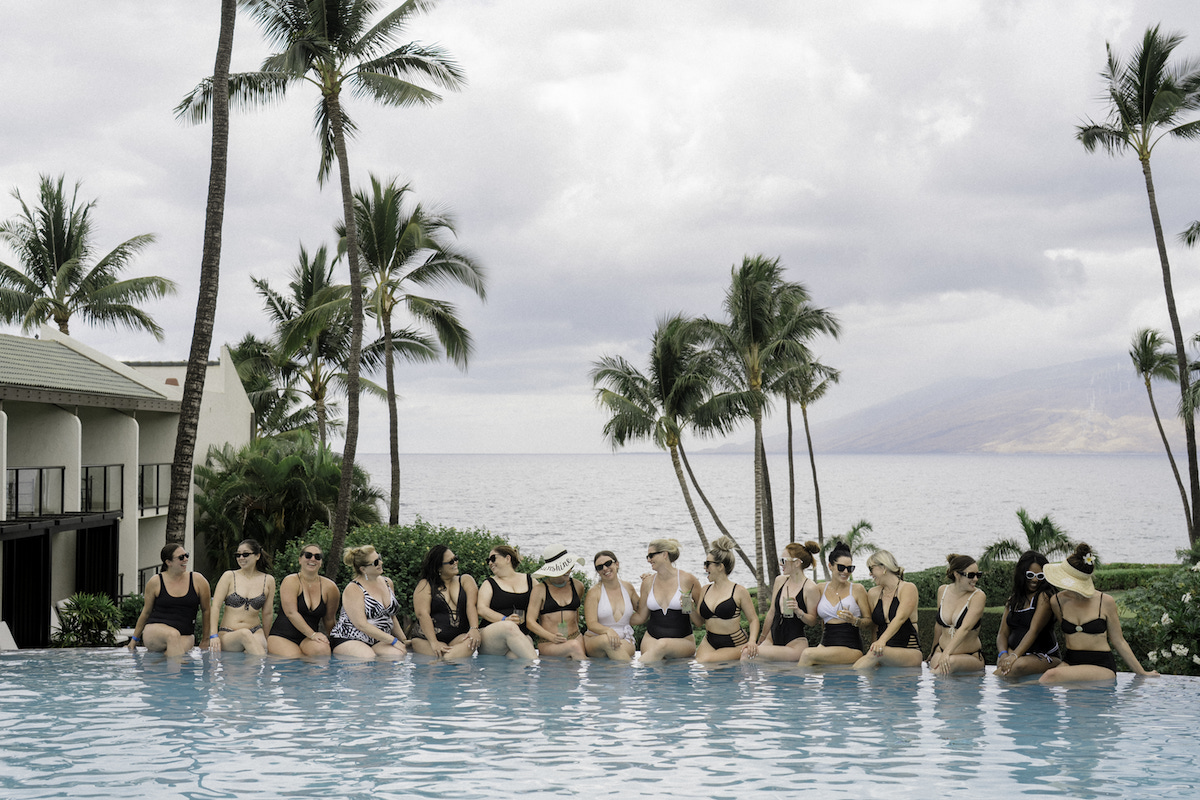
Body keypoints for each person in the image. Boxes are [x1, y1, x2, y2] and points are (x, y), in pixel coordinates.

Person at [1040, 543, 1159, 683]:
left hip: (1101, 665)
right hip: (1071, 661)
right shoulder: (1057, 601)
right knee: (1032, 686)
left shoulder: (1105, 601)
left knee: (1049, 676)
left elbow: (1119, 641)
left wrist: (1142, 672)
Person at [128, 544, 212, 657]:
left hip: (185, 635)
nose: (186, 559)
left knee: (173, 655)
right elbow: (146, 612)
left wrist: (206, 639)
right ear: (168, 562)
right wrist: (134, 639)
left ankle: (170, 672)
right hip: (155, 631)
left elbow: (206, 610)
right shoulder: (155, 581)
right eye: (181, 557)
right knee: (173, 635)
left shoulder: (198, 580)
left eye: (186, 555)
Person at [799, 540, 871, 666]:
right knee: (811, 667)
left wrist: (854, 620)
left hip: (851, 647)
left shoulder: (857, 589)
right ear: (830, 566)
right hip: (826, 644)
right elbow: (816, 620)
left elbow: (869, 622)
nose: (845, 572)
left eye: (850, 568)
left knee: (807, 654)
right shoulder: (821, 588)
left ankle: (791, 686)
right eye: (841, 567)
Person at [630, 538, 703, 662]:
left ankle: (636, 675)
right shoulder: (647, 582)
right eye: (647, 556)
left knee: (662, 646)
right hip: (651, 638)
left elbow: (699, 622)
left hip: (683, 641)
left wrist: (689, 608)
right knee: (657, 658)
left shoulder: (687, 580)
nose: (648, 560)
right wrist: (614, 621)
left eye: (651, 555)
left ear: (664, 554)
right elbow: (641, 617)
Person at [329, 545, 407, 660]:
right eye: (375, 562)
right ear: (363, 569)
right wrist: (393, 640)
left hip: (379, 639)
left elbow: (392, 617)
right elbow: (361, 625)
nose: (380, 562)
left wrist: (403, 640)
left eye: (379, 558)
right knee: (367, 657)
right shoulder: (354, 588)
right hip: (350, 638)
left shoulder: (387, 582)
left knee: (398, 654)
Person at [690, 536, 758, 663]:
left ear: (720, 566)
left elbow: (753, 619)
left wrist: (752, 641)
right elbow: (699, 623)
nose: (705, 568)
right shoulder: (705, 590)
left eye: (707, 564)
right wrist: (689, 608)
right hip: (709, 641)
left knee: (706, 662)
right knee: (698, 667)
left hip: (734, 642)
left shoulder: (739, 591)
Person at [994, 550, 1060, 679]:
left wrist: (1014, 656)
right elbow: (1002, 633)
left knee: (1018, 666)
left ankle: (990, 682)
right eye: (1030, 575)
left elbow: (1033, 631)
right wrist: (1003, 654)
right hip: (1015, 654)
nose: (1035, 580)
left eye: (1040, 576)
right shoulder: (1013, 600)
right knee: (1007, 665)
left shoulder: (1044, 597)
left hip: (1044, 656)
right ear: (1022, 574)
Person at [267, 544, 340, 658]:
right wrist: (313, 634)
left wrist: (336, 643)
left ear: (321, 562)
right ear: (300, 559)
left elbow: (329, 619)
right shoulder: (290, 581)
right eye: (308, 555)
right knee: (294, 659)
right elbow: (291, 613)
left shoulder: (330, 587)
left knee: (322, 651)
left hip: (307, 639)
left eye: (317, 557)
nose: (312, 559)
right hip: (282, 636)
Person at [853, 549, 923, 669]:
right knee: (874, 656)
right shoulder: (873, 593)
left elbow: (900, 618)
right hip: (881, 651)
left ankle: (850, 683)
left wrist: (881, 642)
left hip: (908, 651)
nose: (870, 574)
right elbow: (875, 628)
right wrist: (874, 647)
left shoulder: (907, 588)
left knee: (876, 654)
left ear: (883, 567)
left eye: (871, 569)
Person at [411, 544, 481, 660]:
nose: (455, 563)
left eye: (455, 558)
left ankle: (448, 662)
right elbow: (422, 614)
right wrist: (434, 642)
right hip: (426, 639)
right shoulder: (425, 585)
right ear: (439, 568)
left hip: (459, 637)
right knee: (442, 659)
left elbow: (471, 605)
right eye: (451, 562)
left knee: (470, 641)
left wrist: (474, 628)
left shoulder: (465, 580)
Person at [756, 541, 821, 662]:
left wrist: (798, 611)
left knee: (748, 655)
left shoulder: (810, 588)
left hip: (794, 643)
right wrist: (762, 638)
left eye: (784, 561)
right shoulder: (780, 581)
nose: (781, 564)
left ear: (797, 563)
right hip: (772, 638)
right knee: (748, 655)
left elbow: (813, 621)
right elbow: (771, 612)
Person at [208, 539, 274, 655]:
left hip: (256, 631)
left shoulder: (268, 580)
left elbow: (267, 613)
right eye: (238, 555)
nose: (241, 558)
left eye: (245, 554)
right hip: (228, 633)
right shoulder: (229, 576)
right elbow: (216, 607)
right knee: (245, 634)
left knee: (251, 649)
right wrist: (213, 635)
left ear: (257, 556)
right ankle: (266, 669)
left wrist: (267, 639)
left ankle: (262, 668)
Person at [928, 554, 987, 675]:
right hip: (941, 651)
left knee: (949, 663)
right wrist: (933, 651)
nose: (975, 579)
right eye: (971, 575)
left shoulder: (978, 596)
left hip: (969, 656)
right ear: (956, 574)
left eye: (978, 575)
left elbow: (965, 628)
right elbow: (939, 625)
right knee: (940, 671)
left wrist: (946, 654)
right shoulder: (942, 591)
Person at [476, 545, 538, 658]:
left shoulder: (531, 581)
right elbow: (481, 609)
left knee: (518, 652)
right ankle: (536, 666)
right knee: (508, 627)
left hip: (519, 634)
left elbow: (543, 607)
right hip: (491, 636)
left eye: (493, 558)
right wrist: (504, 619)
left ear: (507, 558)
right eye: (488, 560)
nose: (490, 563)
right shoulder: (489, 583)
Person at [527, 545, 588, 659]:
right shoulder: (540, 590)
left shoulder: (578, 586)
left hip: (576, 637)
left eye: (570, 566)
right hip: (549, 643)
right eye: (563, 568)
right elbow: (530, 622)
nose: (568, 571)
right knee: (574, 647)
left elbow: (576, 612)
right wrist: (551, 637)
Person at [584, 550, 640, 661]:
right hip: (596, 639)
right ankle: (632, 676)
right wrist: (608, 631)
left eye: (608, 563)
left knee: (616, 650)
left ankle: (623, 674)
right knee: (607, 641)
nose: (605, 568)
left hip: (624, 639)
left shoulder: (628, 588)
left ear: (617, 564)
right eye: (600, 567)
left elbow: (642, 611)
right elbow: (591, 624)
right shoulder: (594, 592)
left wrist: (647, 585)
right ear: (598, 572)